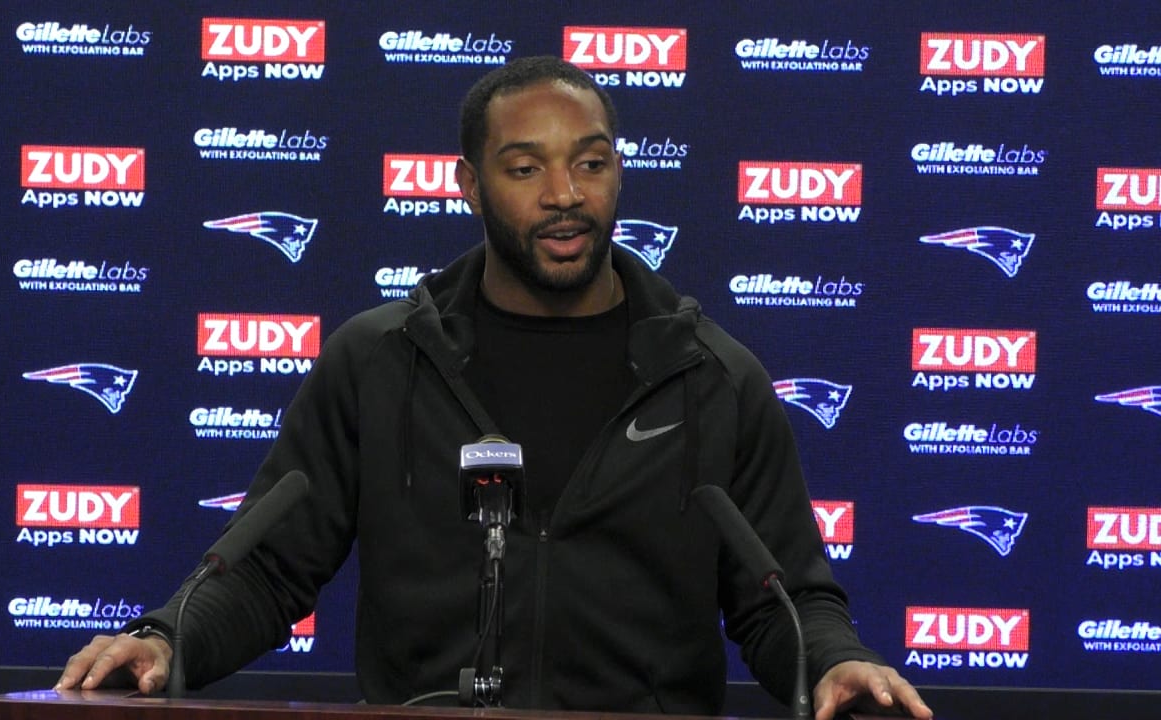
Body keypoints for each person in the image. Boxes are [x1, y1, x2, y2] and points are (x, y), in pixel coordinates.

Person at [57, 56, 932, 720]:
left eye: (590, 165)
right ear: (469, 184)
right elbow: (269, 570)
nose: (565, 196)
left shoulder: (711, 376)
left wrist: (831, 664)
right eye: (526, 170)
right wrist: (166, 639)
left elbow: (785, 595)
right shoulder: (379, 360)